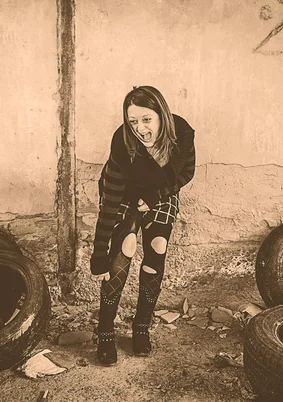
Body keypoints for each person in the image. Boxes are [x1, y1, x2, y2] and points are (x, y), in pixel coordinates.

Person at [90, 85, 196, 365]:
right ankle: (105, 332)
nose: (139, 128)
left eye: (146, 119)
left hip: (160, 193)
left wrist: (154, 197)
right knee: (123, 250)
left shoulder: (182, 134)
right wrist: (99, 255)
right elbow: (110, 205)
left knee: (157, 249)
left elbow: (183, 173)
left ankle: (141, 327)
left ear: (161, 115)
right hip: (125, 194)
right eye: (133, 121)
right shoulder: (122, 146)